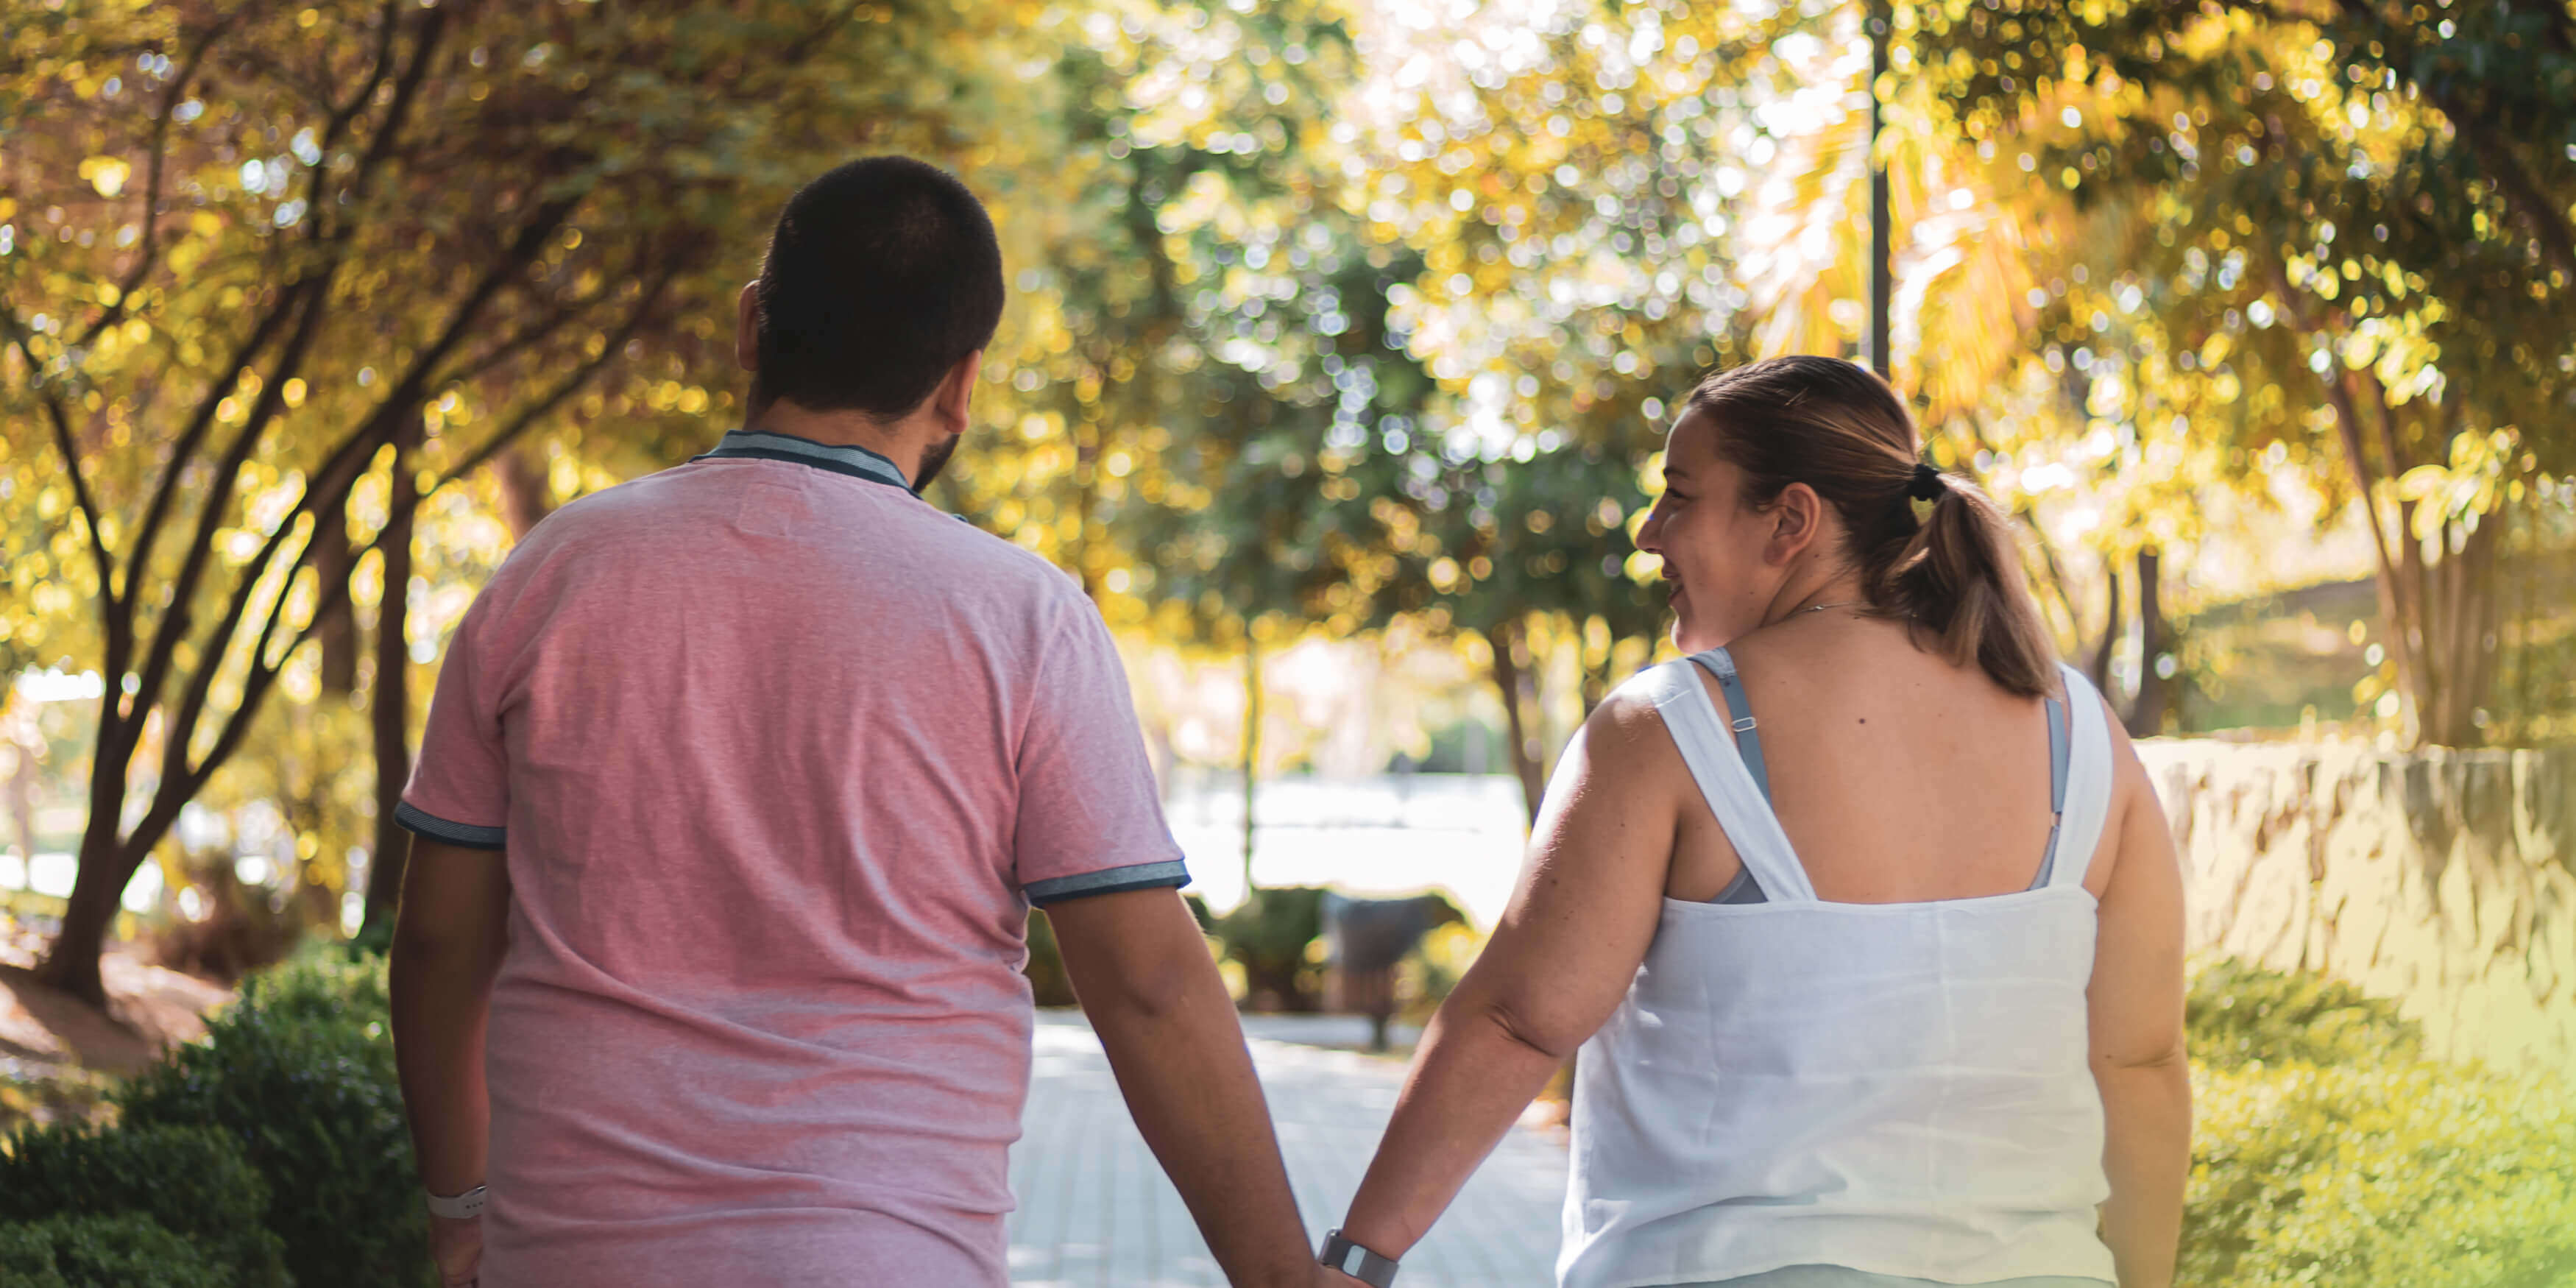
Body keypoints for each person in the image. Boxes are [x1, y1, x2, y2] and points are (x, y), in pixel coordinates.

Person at [388, 156, 1324, 1288]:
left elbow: (440, 940)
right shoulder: (1024, 618)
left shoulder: (551, 575)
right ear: (961, 385)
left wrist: (460, 1207)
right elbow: (1147, 984)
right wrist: (1282, 1275)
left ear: (751, 328)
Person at [1317, 355, 2190, 1288]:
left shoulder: (1666, 729)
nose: (1649, 533)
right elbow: (2137, 1063)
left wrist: (1357, 1261)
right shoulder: (2083, 734)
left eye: (1680, 497)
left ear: (1789, 522)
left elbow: (1517, 1022)